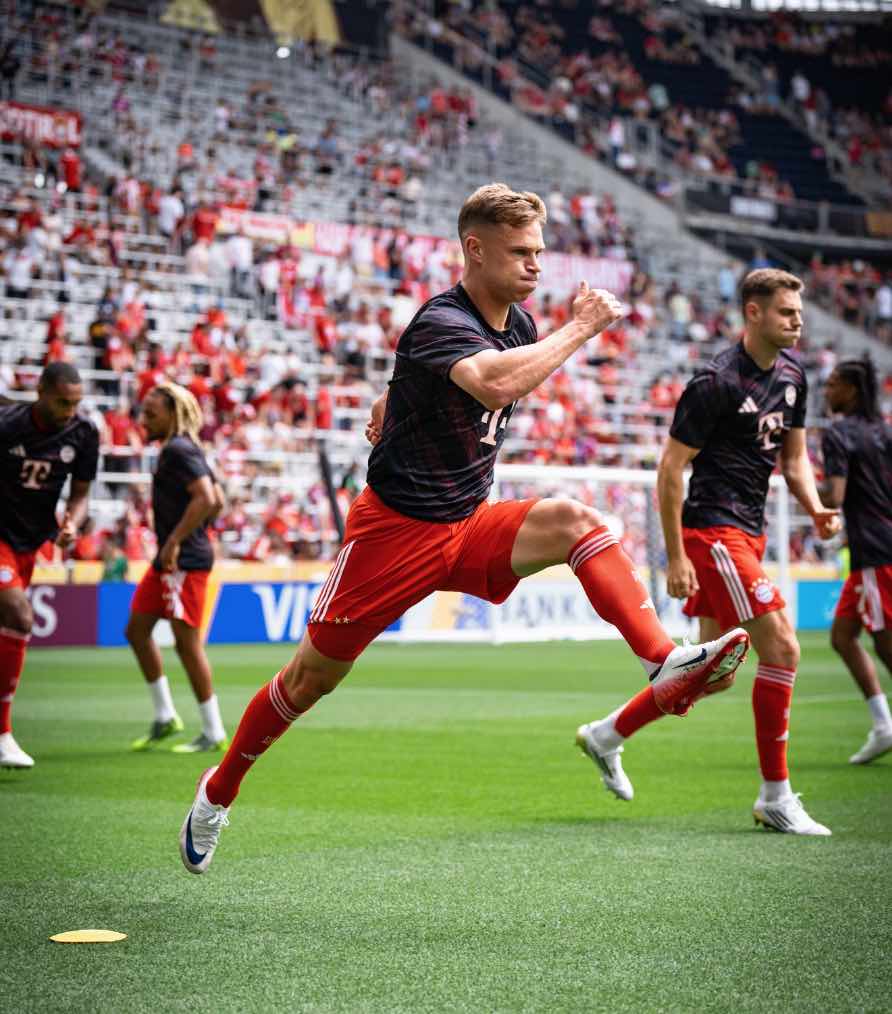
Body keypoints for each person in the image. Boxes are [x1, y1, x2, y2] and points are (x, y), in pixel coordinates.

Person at [178, 183, 749, 874]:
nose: (536, 265)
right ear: (474, 250)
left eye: (539, 251)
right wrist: (581, 328)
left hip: (468, 520)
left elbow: (447, 380)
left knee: (576, 520)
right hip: (393, 534)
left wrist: (393, 396)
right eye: (520, 252)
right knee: (309, 681)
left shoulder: (519, 326)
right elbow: (493, 384)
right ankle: (219, 789)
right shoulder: (440, 318)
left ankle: (663, 662)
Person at [577, 268, 841, 836]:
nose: (797, 321)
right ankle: (775, 796)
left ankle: (606, 735)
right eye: (786, 312)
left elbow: (794, 458)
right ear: (753, 312)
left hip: (749, 532)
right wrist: (676, 556)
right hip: (712, 531)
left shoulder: (793, 376)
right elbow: (671, 469)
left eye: (799, 312)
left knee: (711, 675)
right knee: (783, 648)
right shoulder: (715, 382)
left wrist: (816, 507)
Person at [0, 363, 99, 768]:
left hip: (31, 541)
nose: (69, 411)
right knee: (20, 616)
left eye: (75, 403)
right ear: (40, 391)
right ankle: (3, 734)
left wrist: (72, 521)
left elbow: (80, 493)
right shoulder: (8, 427)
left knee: (8, 623)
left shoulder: (84, 433)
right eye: (62, 402)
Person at [126, 383, 227, 754]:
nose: (143, 420)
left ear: (173, 413)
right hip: (170, 559)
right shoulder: (186, 447)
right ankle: (165, 715)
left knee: (187, 644)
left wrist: (176, 541)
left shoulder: (178, 449)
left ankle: (214, 731)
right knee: (137, 630)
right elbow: (218, 500)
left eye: (151, 413)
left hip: (182, 560)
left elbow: (207, 498)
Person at [821, 357, 892, 764]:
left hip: (875, 553)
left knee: (885, 643)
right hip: (878, 548)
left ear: (851, 390)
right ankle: (883, 726)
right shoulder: (885, 431)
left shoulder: (839, 433)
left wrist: (802, 486)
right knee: (842, 636)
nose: (827, 390)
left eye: (833, 384)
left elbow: (835, 496)